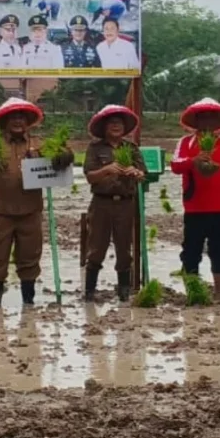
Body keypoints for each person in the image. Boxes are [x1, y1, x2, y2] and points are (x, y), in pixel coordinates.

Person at [0, 98, 73, 306]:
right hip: (2, 211)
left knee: (30, 255)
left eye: (21, 117)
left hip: (31, 211)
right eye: (13, 118)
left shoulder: (39, 143)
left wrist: (58, 155)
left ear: (28, 122)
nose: (18, 121)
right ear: (5, 122)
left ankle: (28, 300)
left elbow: (66, 156)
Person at [169, 98, 220, 298]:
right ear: (197, 121)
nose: (208, 123)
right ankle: (194, 293)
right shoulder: (186, 142)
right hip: (195, 208)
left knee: (219, 250)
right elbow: (175, 165)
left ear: (218, 122)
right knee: (191, 251)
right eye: (204, 119)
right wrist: (193, 161)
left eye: (212, 118)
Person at [83, 105, 146, 301]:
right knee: (96, 248)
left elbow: (143, 173)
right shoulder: (95, 148)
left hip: (126, 204)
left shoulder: (131, 148)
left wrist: (136, 173)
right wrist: (107, 170)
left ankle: (124, 291)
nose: (116, 126)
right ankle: (90, 291)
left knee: (124, 248)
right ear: (104, 127)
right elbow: (90, 176)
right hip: (102, 203)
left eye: (119, 123)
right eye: (111, 123)